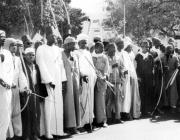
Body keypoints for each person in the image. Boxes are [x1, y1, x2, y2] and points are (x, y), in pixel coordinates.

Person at [36, 26, 67, 139]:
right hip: (48, 82)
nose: (54, 37)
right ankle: (47, 132)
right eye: (51, 35)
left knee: (58, 105)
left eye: (54, 35)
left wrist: (63, 80)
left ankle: (58, 131)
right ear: (46, 36)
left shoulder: (58, 49)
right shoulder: (41, 48)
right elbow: (41, 65)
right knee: (48, 106)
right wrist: (48, 80)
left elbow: (61, 65)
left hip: (58, 81)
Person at [74, 34, 97, 132]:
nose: (84, 44)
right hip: (83, 79)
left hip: (91, 79)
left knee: (90, 100)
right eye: (82, 42)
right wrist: (83, 75)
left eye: (85, 42)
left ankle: (89, 122)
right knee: (83, 100)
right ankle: (81, 124)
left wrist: (94, 75)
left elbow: (91, 66)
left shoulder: (88, 53)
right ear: (78, 43)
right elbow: (77, 67)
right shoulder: (76, 53)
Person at [6, 38, 28, 140]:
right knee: (7, 112)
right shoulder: (3, 58)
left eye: (15, 45)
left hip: (15, 89)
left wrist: (24, 87)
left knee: (16, 111)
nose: (14, 47)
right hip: (6, 89)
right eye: (12, 45)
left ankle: (18, 134)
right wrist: (10, 83)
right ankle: (9, 135)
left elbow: (21, 74)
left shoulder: (18, 59)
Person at [21, 47, 41, 140]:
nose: (31, 56)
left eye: (33, 55)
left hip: (35, 92)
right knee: (27, 115)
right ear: (25, 56)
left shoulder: (35, 66)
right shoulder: (22, 66)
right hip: (26, 93)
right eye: (29, 54)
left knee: (36, 113)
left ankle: (35, 134)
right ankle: (27, 135)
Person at [62, 36, 79, 134]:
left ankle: (74, 126)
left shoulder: (74, 55)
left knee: (75, 101)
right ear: (67, 45)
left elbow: (76, 68)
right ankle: (67, 126)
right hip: (65, 82)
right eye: (73, 44)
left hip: (74, 81)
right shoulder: (61, 54)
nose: (74, 46)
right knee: (67, 103)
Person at [0, 30, 14, 140]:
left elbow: (11, 71)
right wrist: (2, 82)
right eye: (1, 36)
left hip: (7, 89)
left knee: (6, 116)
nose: (3, 38)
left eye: (4, 36)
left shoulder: (7, 53)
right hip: (1, 87)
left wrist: (9, 82)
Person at [135, 40, 154, 117]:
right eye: (143, 46)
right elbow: (136, 67)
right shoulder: (138, 56)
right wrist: (138, 76)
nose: (145, 48)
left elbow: (152, 67)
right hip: (141, 78)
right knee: (142, 94)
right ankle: (142, 111)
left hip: (149, 77)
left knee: (148, 93)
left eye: (146, 46)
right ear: (141, 47)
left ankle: (147, 110)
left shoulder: (150, 56)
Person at [92, 42, 109, 127]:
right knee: (92, 101)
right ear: (96, 48)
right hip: (93, 81)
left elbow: (107, 68)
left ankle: (102, 120)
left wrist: (105, 76)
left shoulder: (104, 57)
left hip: (102, 81)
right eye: (101, 47)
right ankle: (93, 121)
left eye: (103, 47)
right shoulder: (91, 57)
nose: (102, 49)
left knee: (101, 101)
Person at [124, 44, 141, 119]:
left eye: (131, 47)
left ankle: (135, 113)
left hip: (133, 75)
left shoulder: (131, 54)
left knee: (135, 94)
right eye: (129, 47)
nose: (130, 48)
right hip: (128, 77)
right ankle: (129, 113)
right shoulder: (124, 55)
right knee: (129, 95)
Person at [162, 45, 179, 112]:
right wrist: (163, 68)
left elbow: (177, 66)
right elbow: (159, 65)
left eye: (170, 49)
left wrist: (178, 66)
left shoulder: (175, 57)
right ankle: (166, 105)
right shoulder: (163, 57)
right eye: (167, 48)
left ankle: (173, 106)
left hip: (172, 76)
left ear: (172, 49)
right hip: (165, 76)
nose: (169, 50)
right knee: (165, 91)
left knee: (173, 91)